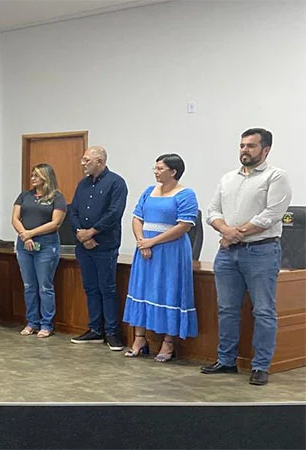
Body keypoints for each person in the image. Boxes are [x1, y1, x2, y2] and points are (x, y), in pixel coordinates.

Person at [201, 128, 292, 386]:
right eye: (242, 145)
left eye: (251, 146)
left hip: (261, 252)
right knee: (226, 309)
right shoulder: (228, 178)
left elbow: (270, 216)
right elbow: (212, 211)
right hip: (228, 254)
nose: (244, 150)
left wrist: (233, 234)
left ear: (266, 150)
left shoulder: (276, 177)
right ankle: (226, 360)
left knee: (263, 310)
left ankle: (261, 366)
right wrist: (226, 232)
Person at [123, 154, 199, 361]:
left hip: (170, 251)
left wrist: (152, 242)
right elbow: (137, 218)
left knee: (168, 291)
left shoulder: (186, 194)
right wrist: (141, 241)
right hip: (145, 250)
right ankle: (139, 339)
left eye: (160, 168)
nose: (155, 172)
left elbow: (183, 226)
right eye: (155, 168)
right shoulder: (149, 191)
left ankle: (168, 343)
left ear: (173, 172)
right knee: (142, 289)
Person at [68, 146, 128, 351]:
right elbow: (73, 210)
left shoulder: (116, 183)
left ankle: (112, 332)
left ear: (100, 161)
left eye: (87, 160)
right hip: (83, 245)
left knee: (107, 289)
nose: (82, 164)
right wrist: (81, 233)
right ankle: (95, 329)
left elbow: (114, 213)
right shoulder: (82, 184)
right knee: (90, 288)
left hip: (105, 244)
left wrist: (92, 232)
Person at [10, 163, 66, 338]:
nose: (32, 178)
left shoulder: (57, 197)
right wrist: (24, 236)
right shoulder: (24, 196)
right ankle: (32, 321)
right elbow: (15, 218)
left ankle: (46, 323)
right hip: (24, 246)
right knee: (29, 286)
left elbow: (55, 223)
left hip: (46, 246)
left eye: (36, 175)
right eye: (32, 174)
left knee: (44, 286)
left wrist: (30, 234)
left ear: (46, 177)